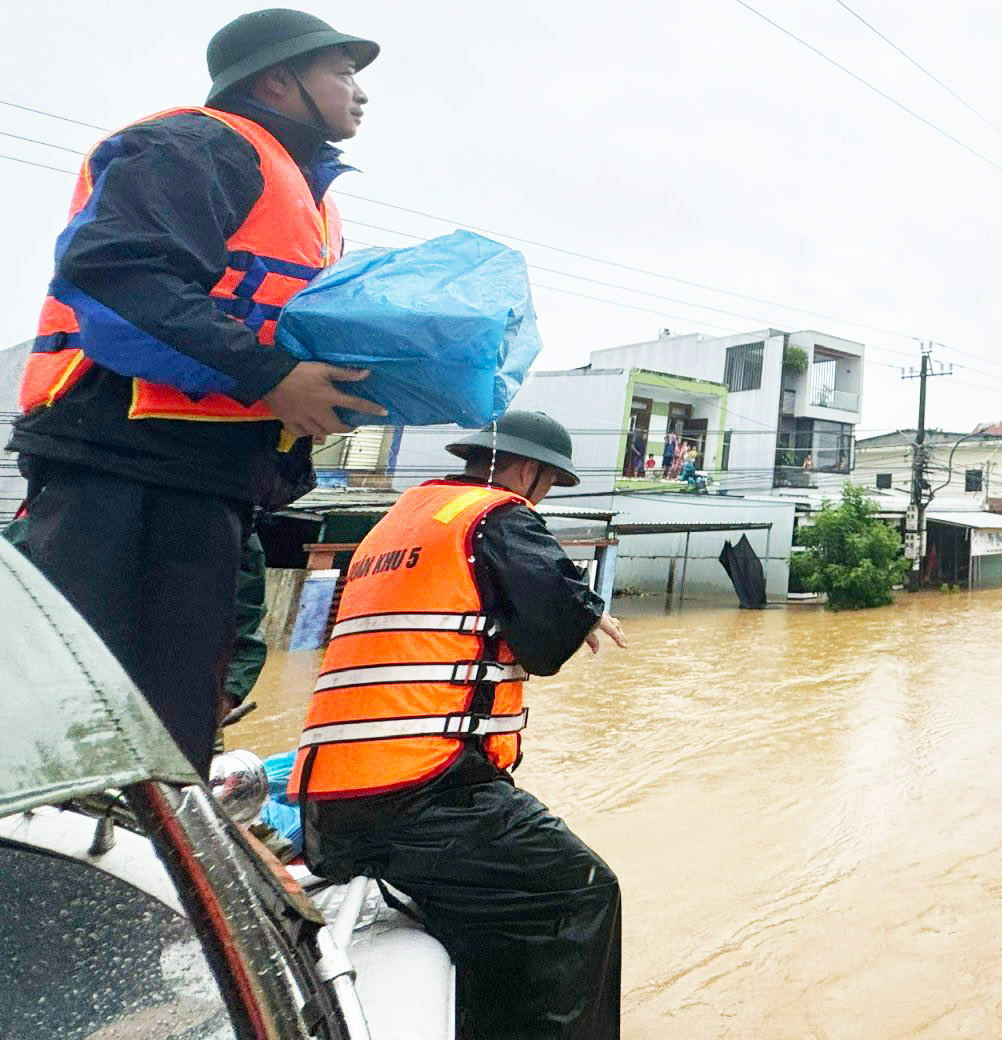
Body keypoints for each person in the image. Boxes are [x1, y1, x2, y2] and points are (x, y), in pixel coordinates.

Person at [6, 8, 387, 774]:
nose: (360, 92)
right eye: (342, 73)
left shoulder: (315, 201)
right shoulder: (200, 142)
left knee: (167, 725)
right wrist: (273, 378)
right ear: (278, 80)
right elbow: (116, 277)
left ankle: (146, 870)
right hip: (121, 471)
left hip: (208, 482)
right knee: (70, 722)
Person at [292, 410, 627, 1040]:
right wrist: (582, 611)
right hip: (425, 795)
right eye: (550, 484)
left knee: (489, 911)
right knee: (580, 894)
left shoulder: (392, 525)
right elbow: (548, 637)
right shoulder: (494, 514)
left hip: (329, 807)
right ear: (529, 471)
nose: (543, 496)